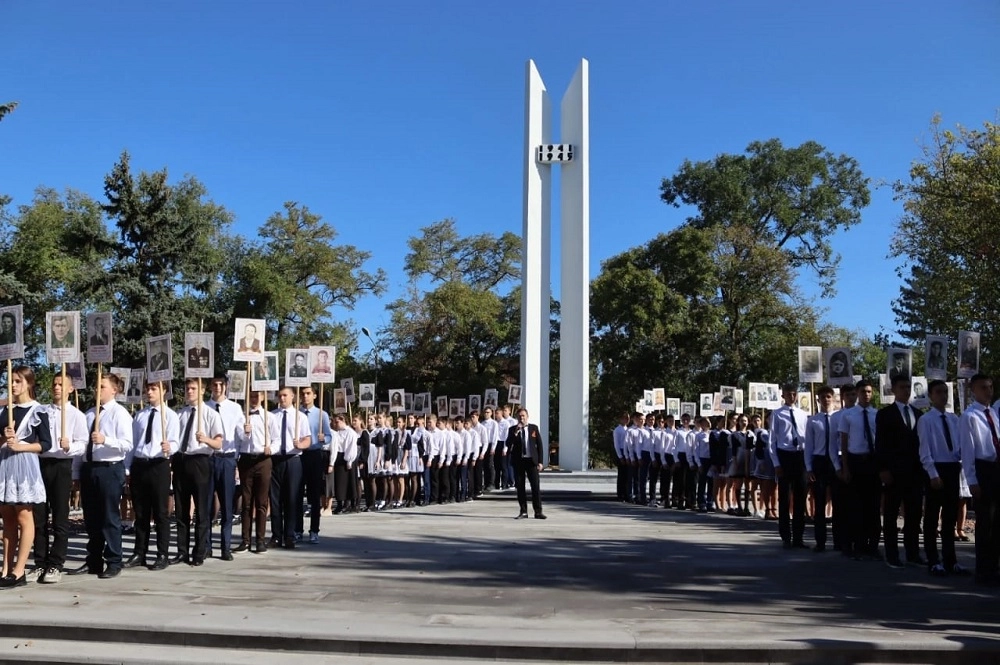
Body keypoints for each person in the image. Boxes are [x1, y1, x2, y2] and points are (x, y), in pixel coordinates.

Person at [70, 373, 133, 579]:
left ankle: (114, 560)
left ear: (114, 390)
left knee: (109, 516)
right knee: (92, 518)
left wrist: (106, 440)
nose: (98, 389)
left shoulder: (119, 413)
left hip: (109, 468)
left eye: (103, 386)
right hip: (90, 469)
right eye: (97, 386)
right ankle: (93, 560)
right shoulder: (88, 414)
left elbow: (127, 445)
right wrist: (77, 472)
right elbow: (82, 447)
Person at [0, 367, 52, 589]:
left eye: (17, 381)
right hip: (5, 464)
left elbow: (46, 444)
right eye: (10, 381)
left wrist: (22, 446)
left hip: (25, 465)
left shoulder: (38, 411)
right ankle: (5, 568)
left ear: (29, 383)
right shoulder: (5, 411)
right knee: (7, 518)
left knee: (24, 515)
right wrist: (4, 437)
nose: (13, 385)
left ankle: (19, 570)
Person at [33, 374, 87, 584]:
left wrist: (69, 446)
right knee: (39, 515)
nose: (56, 387)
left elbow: (82, 444)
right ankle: (40, 561)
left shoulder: (76, 415)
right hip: (42, 463)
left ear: (70, 389)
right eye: (54, 384)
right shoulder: (42, 412)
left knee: (60, 517)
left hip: (62, 465)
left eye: (61, 385)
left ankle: (56, 563)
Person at [125, 381, 178, 571]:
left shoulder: (170, 416)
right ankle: (140, 552)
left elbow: (176, 441)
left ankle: (162, 553)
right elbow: (132, 443)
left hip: (158, 465)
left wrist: (170, 447)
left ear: (164, 391)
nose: (149, 392)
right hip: (140, 465)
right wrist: (128, 468)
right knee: (141, 513)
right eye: (148, 389)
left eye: (154, 389)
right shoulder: (140, 415)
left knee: (161, 513)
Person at [172, 379, 224, 566]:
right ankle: (182, 551)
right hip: (181, 461)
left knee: (202, 510)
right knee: (181, 509)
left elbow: (219, 443)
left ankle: (199, 551)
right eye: (187, 389)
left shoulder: (210, 414)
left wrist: (206, 439)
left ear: (202, 390)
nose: (189, 392)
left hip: (201, 461)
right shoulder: (180, 414)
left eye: (193, 388)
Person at [919, 379, 968, 577]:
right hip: (936, 468)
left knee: (949, 517)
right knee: (932, 517)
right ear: (931, 396)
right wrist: (933, 474)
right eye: (938, 392)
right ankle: (933, 560)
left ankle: (951, 560)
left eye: (945, 392)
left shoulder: (954, 419)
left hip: (952, 467)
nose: (943, 395)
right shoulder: (926, 420)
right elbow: (925, 449)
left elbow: (959, 446)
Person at [875, 376, 925, 569]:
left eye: (908, 387)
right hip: (893, 472)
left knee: (913, 515)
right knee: (890, 515)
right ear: (893, 389)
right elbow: (880, 444)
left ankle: (912, 553)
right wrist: (883, 469)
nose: (906, 390)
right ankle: (892, 554)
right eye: (902, 387)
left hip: (914, 472)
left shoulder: (918, 414)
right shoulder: (885, 414)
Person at [958, 373, 1000, 586]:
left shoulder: (993, 412)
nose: (988, 391)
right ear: (973, 390)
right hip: (983, 470)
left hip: (997, 468)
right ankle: (983, 570)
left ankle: (994, 566)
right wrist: (972, 480)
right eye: (983, 387)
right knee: (986, 523)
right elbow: (968, 450)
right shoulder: (970, 416)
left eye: (990, 387)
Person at [838, 380, 881, 561]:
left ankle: (872, 545)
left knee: (873, 506)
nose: (866, 395)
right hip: (855, 461)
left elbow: (881, 441)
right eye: (863, 391)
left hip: (872, 461)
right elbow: (844, 443)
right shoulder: (848, 415)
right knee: (855, 506)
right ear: (857, 393)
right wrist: (845, 468)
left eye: (869, 392)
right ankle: (854, 544)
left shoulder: (877, 414)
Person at [206, 375, 245, 560]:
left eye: (221, 384)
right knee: (206, 504)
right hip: (208, 459)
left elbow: (242, 438)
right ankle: (206, 546)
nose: (218, 388)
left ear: (226, 386)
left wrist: (246, 431)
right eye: (215, 384)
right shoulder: (204, 407)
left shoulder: (235, 408)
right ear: (210, 387)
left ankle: (226, 546)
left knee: (227, 505)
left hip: (227, 459)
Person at [268, 387, 311, 549]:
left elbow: (307, 438)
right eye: (280, 395)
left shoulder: (300, 417)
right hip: (276, 459)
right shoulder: (272, 416)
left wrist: (301, 444)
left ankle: (290, 535)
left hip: (293, 459)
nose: (282, 398)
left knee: (292, 499)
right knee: (275, 499)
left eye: (285, 395)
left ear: (293, 396)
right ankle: (276, 535)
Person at [769, 384, 808, 549]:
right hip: (784, 455)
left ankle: (798, 537)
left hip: (800, 456)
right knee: (784, 498)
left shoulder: (803, 414)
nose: (792, 397)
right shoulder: (777, 414)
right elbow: (772, 441)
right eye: (788, 394)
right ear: (783, 395)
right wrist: (776, 463)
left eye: (794, 394)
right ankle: (786, 536)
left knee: (800, 498)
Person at [235, 391, 271, 553]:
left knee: (262, 502)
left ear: (263, 397)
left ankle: (261, 540)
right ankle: (245, 540)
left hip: (263, 460)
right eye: (251, 396)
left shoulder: (270, 417)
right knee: (246, 503)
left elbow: (276, 438)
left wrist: (272, 448)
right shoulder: (242, 417)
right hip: (246, 460)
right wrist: (245, 432)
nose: (254, 399)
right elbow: (238, 440)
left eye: (257, 395)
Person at [298, 385, 332, 545]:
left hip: (315, 455)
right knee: (296, 494)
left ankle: (314, 530)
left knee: (314, 495)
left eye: (308, 393)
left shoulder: (321, 415)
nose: (305, 396)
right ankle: (297, 529)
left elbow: (329, 436)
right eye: (303, 394)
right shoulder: (296, 413)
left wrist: (323, 438)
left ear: (315, 395)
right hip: (298, 455)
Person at [805, 386, 837, 552]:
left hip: (836, 461)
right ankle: (820, 541)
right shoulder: (813, 420)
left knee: (838, 502)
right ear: (818, 400)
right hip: (819, 461)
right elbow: (808, 446)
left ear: (833, 398)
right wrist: (809, 467)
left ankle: (839, 541)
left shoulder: (839, 418)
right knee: (819, 502)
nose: (826, 400)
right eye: (823, 397)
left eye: (829, 397)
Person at [506, 407, 545, 519]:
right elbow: (508, 443)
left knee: (535, 487)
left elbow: (540, 446)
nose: (521, 418)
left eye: (523, 416)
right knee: (520, 487)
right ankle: (523, 511)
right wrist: (515, 432)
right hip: (519, 461)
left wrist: (540, 462)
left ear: (527, 417)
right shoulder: (512, 429)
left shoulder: (534, 428)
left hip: (531, 461)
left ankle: (538, 511)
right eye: (519, 416)